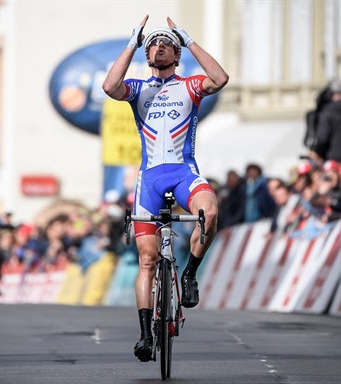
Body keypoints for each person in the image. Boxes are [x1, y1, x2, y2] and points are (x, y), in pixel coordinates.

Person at [102, 15, 229, 362]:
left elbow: (219, 78)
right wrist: (131, 44)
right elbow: (110, 87)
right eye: (152, 45)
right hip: (150, 179)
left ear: (175, 54)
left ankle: (189, 275)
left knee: (211, 212)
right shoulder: (138, 89)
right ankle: (145, 335)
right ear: (146, 55)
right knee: (147, 258)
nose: (158, 47)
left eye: (165, 44)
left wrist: (187, 39)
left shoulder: (188, 86)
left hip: (184, 172)